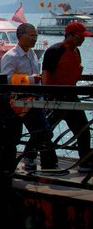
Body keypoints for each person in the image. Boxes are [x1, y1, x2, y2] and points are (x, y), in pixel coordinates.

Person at [0, 23, 58, 171]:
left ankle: (46, 164)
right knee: (14, 136)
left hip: (33, 100)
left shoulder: (32, 54)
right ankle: (9, 167)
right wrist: (31, 79)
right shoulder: (11, 56)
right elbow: (7, 79)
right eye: (31, 35)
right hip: (18, 102)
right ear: (20, 37)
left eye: (36, 36)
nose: (34, 38)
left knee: (43, 131)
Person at [42, 21, 93, 172]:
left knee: (83, 130)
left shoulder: (77, 52)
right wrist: (50, 97)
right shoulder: (55, 50)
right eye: (80, 37)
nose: (83, 40)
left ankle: (85, 162)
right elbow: (46, 76)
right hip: (55, 99)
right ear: (70, 35)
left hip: (72, 96)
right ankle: (35, 158)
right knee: (45, 131)